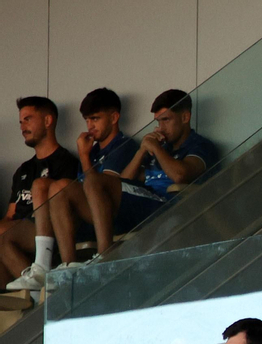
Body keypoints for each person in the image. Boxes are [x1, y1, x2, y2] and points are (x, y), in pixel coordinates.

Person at [81, 90, 219, 251]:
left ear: (185, 117)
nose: (161, 128)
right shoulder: (161, 147)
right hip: (146, 202)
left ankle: (104, 254)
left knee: (93, 180)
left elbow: (180, 176)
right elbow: (122, 182)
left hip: (172, 208)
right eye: (158, 122)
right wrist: (142, 151)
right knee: (85, 184)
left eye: (166, 120)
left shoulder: (200, 145)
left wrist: (155, 148)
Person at [28, 88, 138, 272]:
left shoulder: (124, 145)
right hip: (87, 220)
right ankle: (66, 265)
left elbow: (101, 188)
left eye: (95, 119)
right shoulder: (92, 151)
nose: (90, 126)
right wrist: (86, 155)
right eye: (87, 120)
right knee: (46, 185)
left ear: (114, 118)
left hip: (117, 215)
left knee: (62, 186)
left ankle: (104, 254)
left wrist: (84, 157)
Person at [1, 97, 81, 289]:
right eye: (21, 122)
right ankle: (29, 301)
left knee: (5, 240)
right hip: (19, 232)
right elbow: (10, 215)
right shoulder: (23, 170)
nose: (22, 127)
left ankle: (42, 294)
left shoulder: (66, 161)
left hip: (48, 229)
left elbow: (67, 209)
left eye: (28, 119)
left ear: (48, 121)